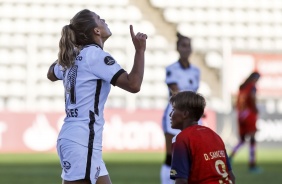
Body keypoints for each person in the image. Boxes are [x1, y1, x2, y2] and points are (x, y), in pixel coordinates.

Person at [47, 9, 147, 184]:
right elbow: (133, 84)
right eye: (99, 19)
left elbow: (51, 74)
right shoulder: (95, 55)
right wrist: (140, 51)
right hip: (83, 140)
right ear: (96, 31)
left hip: (77, 138)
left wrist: (67, 54)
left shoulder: (75, 56)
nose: (104, 20)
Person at [169, 91, 236, 184]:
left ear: (185, 114)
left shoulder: (182, 139)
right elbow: (231, 176)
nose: (170, 115)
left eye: (173, 110)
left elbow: (181, 181)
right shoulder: (214, 135)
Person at [160, 33, 200, 184]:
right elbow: (175, 93)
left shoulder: (196, 71)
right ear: (177, 48)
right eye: (183, 45)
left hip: (191, 116)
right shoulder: (172, 69)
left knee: (192, 154)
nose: (186, 49)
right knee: (171, 155)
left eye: (188, 45)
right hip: (174, 115)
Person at [229, 71, 261, 173]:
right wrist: (255, 108)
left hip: (240, 115)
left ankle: (230, 158)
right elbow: (252, 97)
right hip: (249, 114)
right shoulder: (252, 87)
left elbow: (236, 102)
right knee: (252, 139)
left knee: (242, 140)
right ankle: (252, 165)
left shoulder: (242, 87)